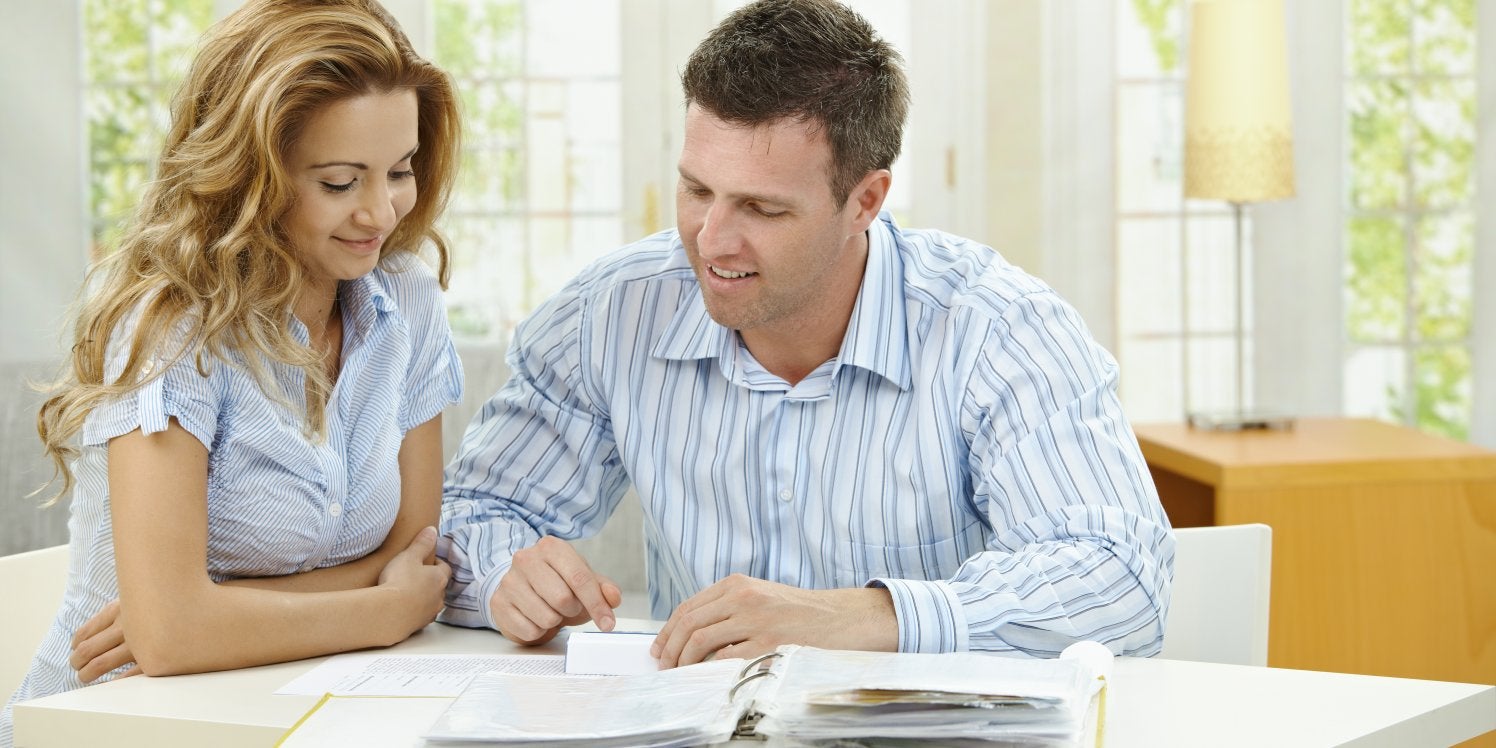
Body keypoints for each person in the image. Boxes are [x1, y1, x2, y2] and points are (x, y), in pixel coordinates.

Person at [439, 0, 1172, 667]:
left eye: (762, 208)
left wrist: (859, 617)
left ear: (866, 201)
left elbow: (1119, 579)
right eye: (697, 190)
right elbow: (471, 518)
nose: (711, 240)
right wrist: (510, 573)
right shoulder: (611, 314)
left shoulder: (998, 330)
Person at [2, 0, 462, 743]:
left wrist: (221, 609)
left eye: (400, 171)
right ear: (250, 176)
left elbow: (415, 549)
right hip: (111, 722)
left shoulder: (405, 299)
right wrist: (383, 608)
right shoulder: (170, 327)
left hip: (291, 712)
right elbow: (172, 640)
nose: (381, 212)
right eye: (341, 182)